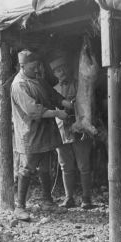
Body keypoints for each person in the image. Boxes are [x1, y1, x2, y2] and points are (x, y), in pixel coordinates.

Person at [10, 50, 73, 221]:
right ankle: (20, 206)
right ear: (22, 66)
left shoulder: (37, 79)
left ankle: (47, 200)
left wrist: (67, 103)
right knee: (27, 168)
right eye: (32, 66)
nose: (36, 69)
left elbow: (53, 95)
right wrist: (57, 113)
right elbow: (33, 111)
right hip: (30, 133)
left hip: (45, 131)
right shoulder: (19, 85)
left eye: (37, 65)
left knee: (45, 166)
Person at [49, 53, 95, 210]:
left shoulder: (80, 85)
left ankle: (86, 198)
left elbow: (89, 103)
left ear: (68, 69)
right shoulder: (52, 90)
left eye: (63, 69)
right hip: (62, 131)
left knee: (84, 165)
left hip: (80, 129)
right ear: (54, 74)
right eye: (57, 71)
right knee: (65, 165)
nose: (61, 72)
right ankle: (69, 198)